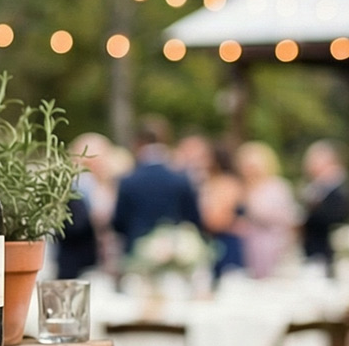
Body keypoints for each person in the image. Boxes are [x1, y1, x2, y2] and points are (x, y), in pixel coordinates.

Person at [111, 119, 203, 252]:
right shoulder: (181, 179)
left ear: (138, 142)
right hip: (177, 251)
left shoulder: (128, 181)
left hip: (137, 252)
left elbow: (119, 222)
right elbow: (193, 218)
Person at [233, 141, 299, 278]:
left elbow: (288, 220)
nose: (249, 170)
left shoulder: (277, 186)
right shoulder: (239, 187)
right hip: (246, 245)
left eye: (253, 166)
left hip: (273, 244)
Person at [54, 132, 111, 279]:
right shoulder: (73, 186)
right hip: (74, 263)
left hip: (93, 261)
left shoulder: (100, 185)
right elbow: (71, 226)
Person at [300, 140, 349, 265]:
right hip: (314, 246)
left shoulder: (338, 186)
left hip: (328, 248)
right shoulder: (316, 187)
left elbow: (335, 217)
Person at [198, 145, 246, 276]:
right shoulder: (204, 182)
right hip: (208, 241)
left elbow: (220, 220)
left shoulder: (228, 183)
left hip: (225, 243)